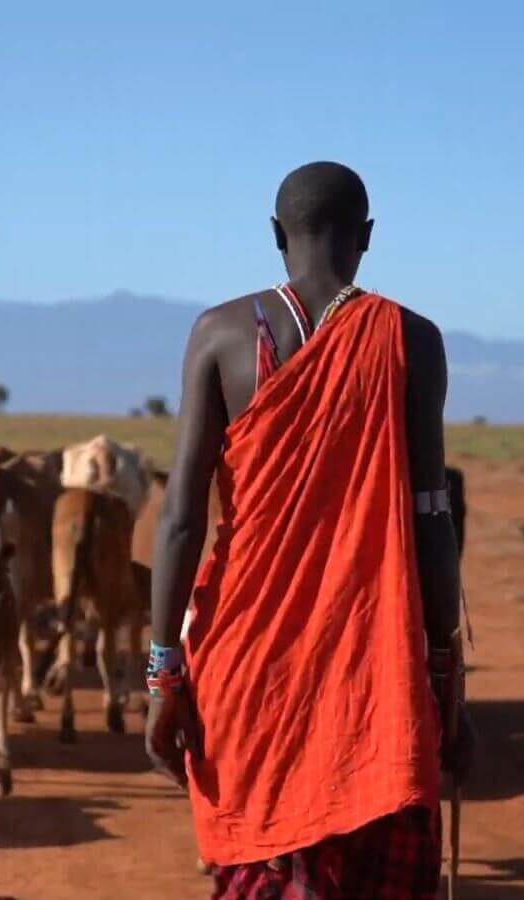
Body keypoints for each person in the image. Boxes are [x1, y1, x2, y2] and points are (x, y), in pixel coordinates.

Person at [145, 161, 472, 899]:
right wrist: (445, 670)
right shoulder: (411, 339)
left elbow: (180, 519)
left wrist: (164, 671)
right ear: (367, 238)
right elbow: (431, 513)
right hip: (375, 670)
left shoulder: (221, 333)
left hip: (245, 664)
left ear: (274, 235)